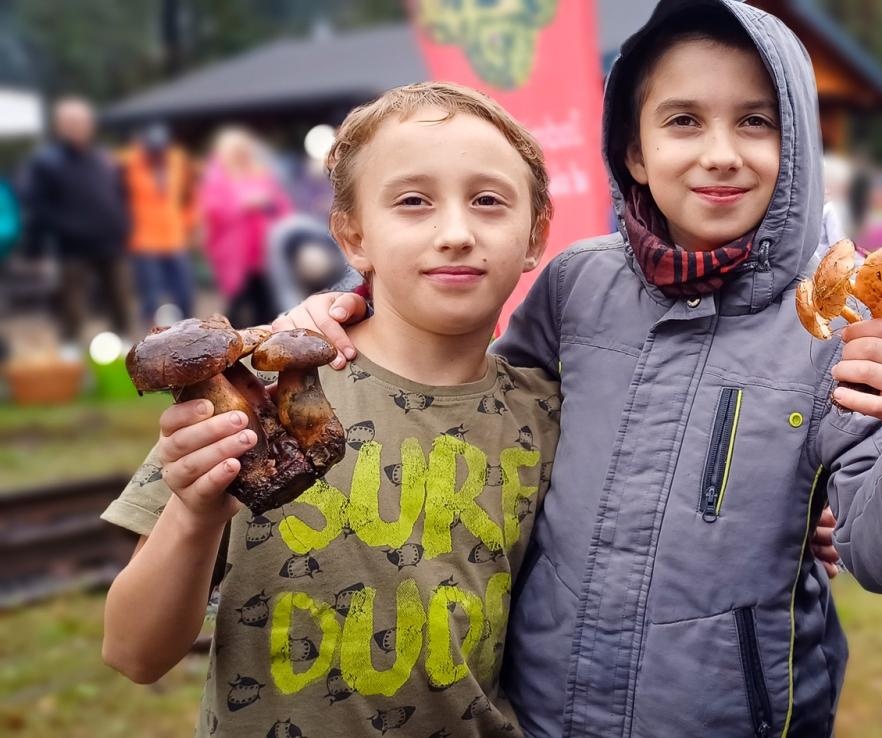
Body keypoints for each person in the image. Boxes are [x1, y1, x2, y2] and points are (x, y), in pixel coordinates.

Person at [278, 2, 882, 735]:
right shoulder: (575, 287)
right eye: (683, 120)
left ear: (800, 144)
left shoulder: (835, 326)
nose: (720, 152)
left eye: (756, 122)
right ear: (634, 151)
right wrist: (350, 309)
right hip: (541, 712)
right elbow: (473, 400)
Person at [101, 82, 562, 736]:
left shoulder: (551, 415)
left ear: (536, 235)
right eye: (412, 202)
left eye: (489, 201)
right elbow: (132, 652)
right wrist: (195, 515)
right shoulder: (246, 389)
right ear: (353, 237)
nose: (456, 233)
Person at [21, 97, 133, 341]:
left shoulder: (103, 158)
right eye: (70, 121)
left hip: (111, 242)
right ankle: (70, 354)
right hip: (72, 248)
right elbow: (37, 206)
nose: (77, 126)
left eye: (82, 121)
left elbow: (120, 193)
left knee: (120, 300)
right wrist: (36, 249)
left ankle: (127, 352)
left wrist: (124, 225)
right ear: (59, 126)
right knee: (72, 306)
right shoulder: (47, 162)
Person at [198, 127, 290, 329]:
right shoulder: (217, 177)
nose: (241, 155)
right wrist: (243, 206)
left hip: (264, 250)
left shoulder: (259, 172)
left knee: (267, 302)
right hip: (234, 253)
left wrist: (268, 204)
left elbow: (282, 205)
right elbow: (212, 210)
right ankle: (228, 344)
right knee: (238, 302)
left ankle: (266, 343)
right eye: (235, 151)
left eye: (243, 150)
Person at [120, 123, 197, 326]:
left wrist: (188, 223)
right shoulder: (129, 164)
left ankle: (187, 329)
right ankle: (152, 337)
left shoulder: (178, 161)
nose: (157, 155)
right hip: (143, 240)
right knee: (150, 295)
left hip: (174, 237)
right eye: (152, 151)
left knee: (185, 291)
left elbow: (190, 196)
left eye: (161, 150)